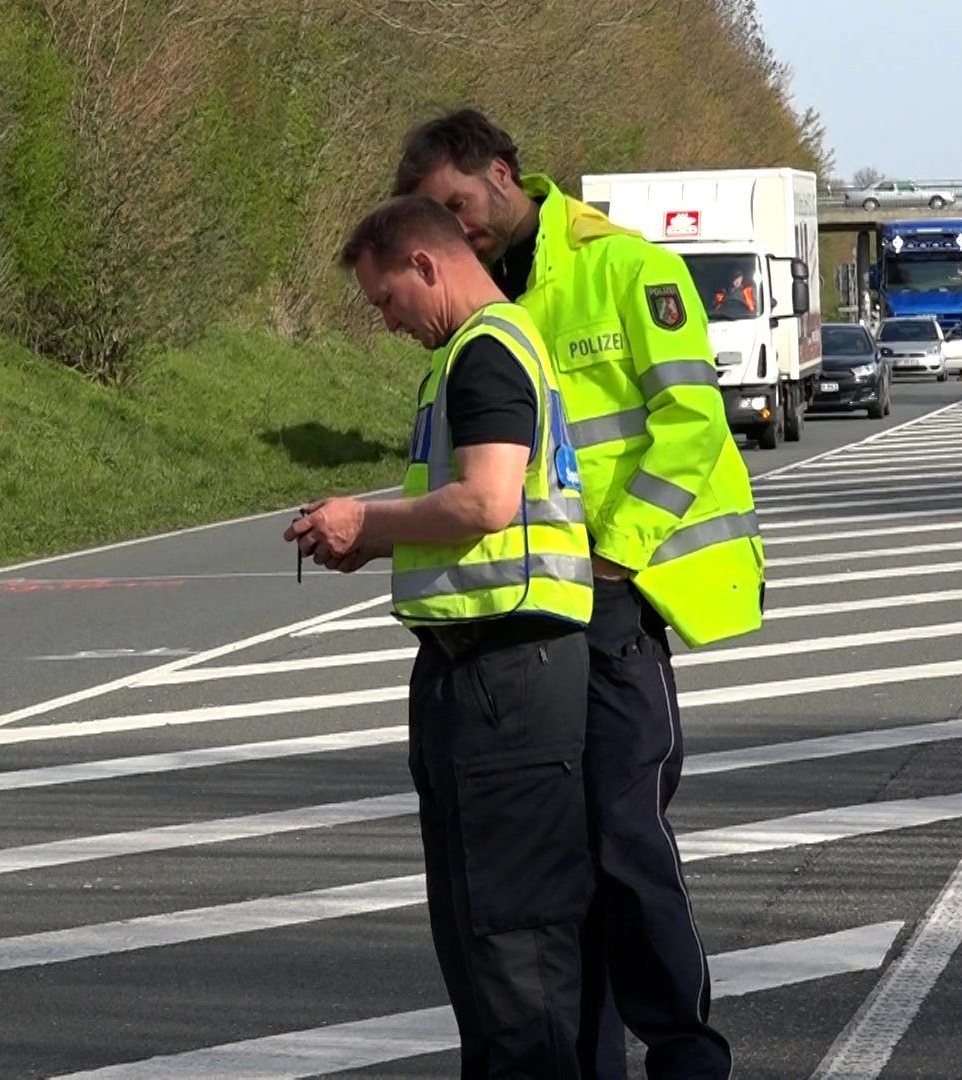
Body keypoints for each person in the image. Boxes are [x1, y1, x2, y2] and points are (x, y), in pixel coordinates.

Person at [396, 109, 757, 1080]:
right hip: (530, 627)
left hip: (616, 599)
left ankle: (686, 1055)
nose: (452, 229)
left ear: (504, 175)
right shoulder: (470, 309)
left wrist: (615, 556)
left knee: (621, 838)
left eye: (458, 205)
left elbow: (691, 423)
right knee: (555, 864)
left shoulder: (622, 266)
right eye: (433, 216)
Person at [290, 195, 597, 1077]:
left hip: (510, 677)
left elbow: (487, 500)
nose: (387, 323)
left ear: (426, 265)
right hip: (479, 676)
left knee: (514, 954)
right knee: (483, 950)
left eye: (387, 300)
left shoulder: (486, 352)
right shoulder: (475, 353)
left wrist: (372, 524)